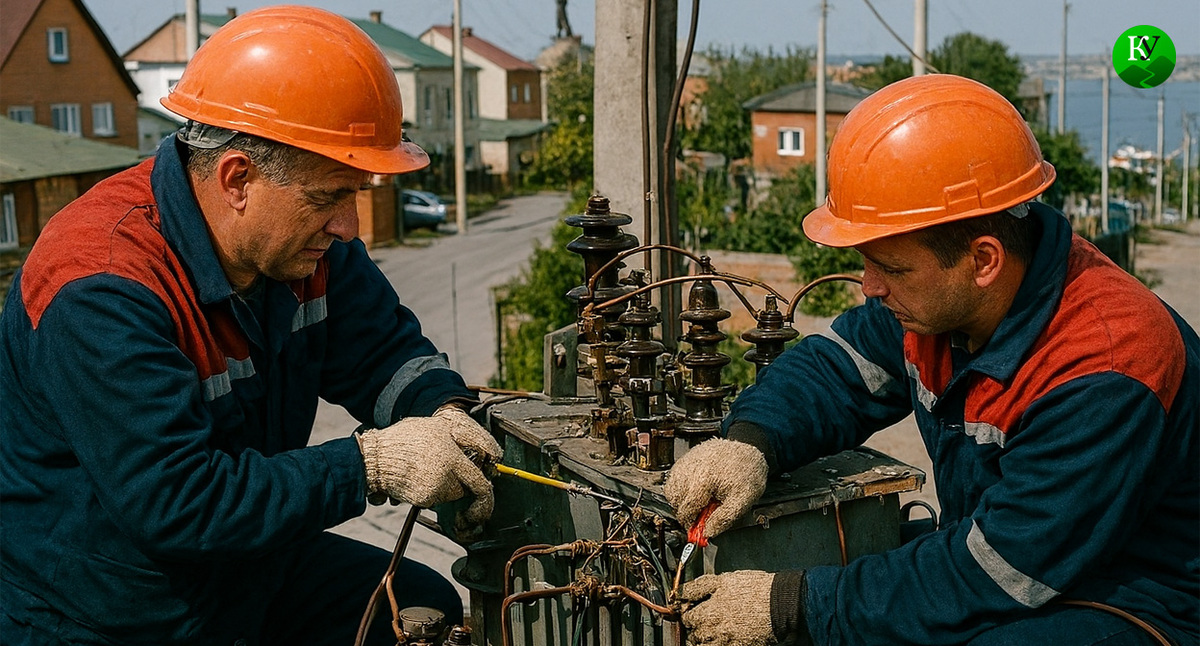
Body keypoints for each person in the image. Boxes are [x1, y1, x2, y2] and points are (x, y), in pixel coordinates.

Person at [0, 7, 501, 645]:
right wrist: (371, 465)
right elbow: (177, 501)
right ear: (238, 178)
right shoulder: (100, 285)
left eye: (355, 192)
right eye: (329, 196)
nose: (349, 225)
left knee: (418, 608)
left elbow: (382, 353)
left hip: (242, 565)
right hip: (106, 609)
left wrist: (445, 414)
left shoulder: (305, 248)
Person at [665, 74, 1199, 646]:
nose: (870, 286)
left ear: (983, 260)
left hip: (1135, 602)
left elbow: (996, 571)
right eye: (869, 262)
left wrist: (797, 606)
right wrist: (751, 441)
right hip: (1023, 565)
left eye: (892, 268)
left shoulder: (1106, 368)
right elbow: (837, 368)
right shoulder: (939, 306)